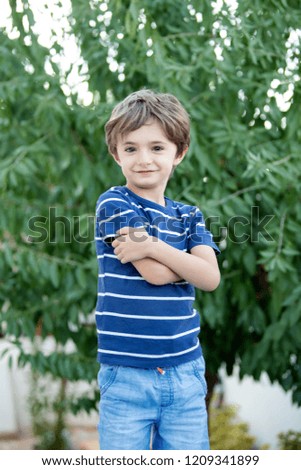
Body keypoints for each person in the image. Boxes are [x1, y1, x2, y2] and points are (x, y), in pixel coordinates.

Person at [94, 89, 220, 450]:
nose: (143, 159)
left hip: (185, 373)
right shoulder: (114, 202)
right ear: (116, 153)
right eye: (130, 148)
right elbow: (156, 274)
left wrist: (151, 244)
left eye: (157, 148)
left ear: (178, 153)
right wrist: (188, 264)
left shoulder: (189, 215)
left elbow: (210, 279)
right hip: (126, 376)